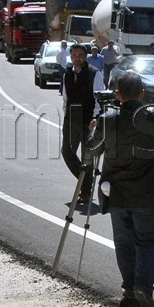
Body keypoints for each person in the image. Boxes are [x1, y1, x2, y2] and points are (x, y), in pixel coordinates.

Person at [84, 70, 154, 307]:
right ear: (142, 93)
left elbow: (91, 152)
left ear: (117, 94)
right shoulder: (153, 116)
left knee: (123, 242)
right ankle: (144, 286)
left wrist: (94, 128)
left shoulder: (107, 120)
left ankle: (129, 288)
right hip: (148, 192)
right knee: (148, 240)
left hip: (117, 192)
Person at [61, 42, 105, 204]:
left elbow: (99, 99)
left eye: (79, 56)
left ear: (85, 57)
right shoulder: (67, 73)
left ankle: (85, 191)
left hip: (88, 120)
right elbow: (65, 98)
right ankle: (86, 180)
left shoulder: (95, 74)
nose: (76, 59)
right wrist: (66, 115)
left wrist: (95, 118)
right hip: (71, 119)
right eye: (74, 56)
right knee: (66, 151)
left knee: (87, 157)